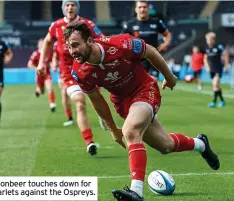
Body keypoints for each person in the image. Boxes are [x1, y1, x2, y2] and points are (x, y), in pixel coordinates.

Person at [64, 21, 220, 201]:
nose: (72, 51)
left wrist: (169, 77)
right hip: (122, 102)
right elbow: (97, 100)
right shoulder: (79, 71)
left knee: (130, 131)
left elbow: (150, 51)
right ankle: (200, 144)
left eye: (75, 44)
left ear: (90, 41)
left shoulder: (121, 43)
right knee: (165, 145)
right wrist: (113, 127)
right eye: (69, 46)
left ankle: (136, 191)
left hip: (144, 90)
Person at [37, 0, 104, 155]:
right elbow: (47, 42)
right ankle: (89, 142)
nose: (70, 7)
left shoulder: (87, 24)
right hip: (69, 73)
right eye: (67, 5)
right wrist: (41, 63)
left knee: (97, 100)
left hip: (90, 70)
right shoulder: (56, 26)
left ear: (77, 8)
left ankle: (104, 117)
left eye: (73, 4)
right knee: (80, 103)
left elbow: (102, 40)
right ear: (63, 8)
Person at [122, 0, 172, 80]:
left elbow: (167, 34)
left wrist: (166, 43)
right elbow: (122, 42)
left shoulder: (157, 22)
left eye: (144, 7)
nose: (142, 9)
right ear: (136, 9)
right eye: (140, 7)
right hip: (137, 60)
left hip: (153, 58)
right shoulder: (129, 25)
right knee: (138, 84)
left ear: (148, 9)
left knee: (153, 82)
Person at [27, 39, 56, 112]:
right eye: (40, 44)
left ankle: (52, 104)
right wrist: (37, 68)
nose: (42, 45)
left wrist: (53, 66)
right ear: (38, 45)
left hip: (47, 74)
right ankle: (38, 91)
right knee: (42, 91)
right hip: (39, 75)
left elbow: (51, 62)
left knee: (50, 88)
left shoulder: (48, 53)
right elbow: (29, 64)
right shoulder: (36, 53)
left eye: (43, 43)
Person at [204, 32, 230, 108]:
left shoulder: (218, 47)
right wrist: (207, 66)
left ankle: (214, 101)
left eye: (209, 39)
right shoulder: (207, 48)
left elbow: (225, 55)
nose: (208, 41)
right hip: (211, 69)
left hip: (218, 69)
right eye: (207, 40)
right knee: (215, 87)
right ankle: (222, 100)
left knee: (215, 84)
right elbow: (205, 58)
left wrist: (226, 66)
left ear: (213, 40)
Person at [52, 41, 74, 125]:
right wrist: (54, 65)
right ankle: (70, 117)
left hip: (77, 70)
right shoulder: (57, 43)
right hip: (64, 73)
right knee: (64, 93)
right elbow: (55, 56)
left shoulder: (75, 39)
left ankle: (101, 116)